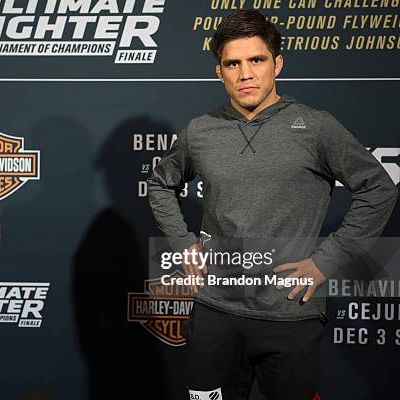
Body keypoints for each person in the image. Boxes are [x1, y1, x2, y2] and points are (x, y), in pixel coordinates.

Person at [147, 10, 397, 400]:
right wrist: (182, 243)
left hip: (290, 313)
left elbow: (379, 189)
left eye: (256, 60)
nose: (245, 73)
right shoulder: (199, 131)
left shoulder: (315, 127)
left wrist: (326, 261)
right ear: (219, 72)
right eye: (233, 63)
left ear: (277, 64)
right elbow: (161, 185)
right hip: (216, 309)